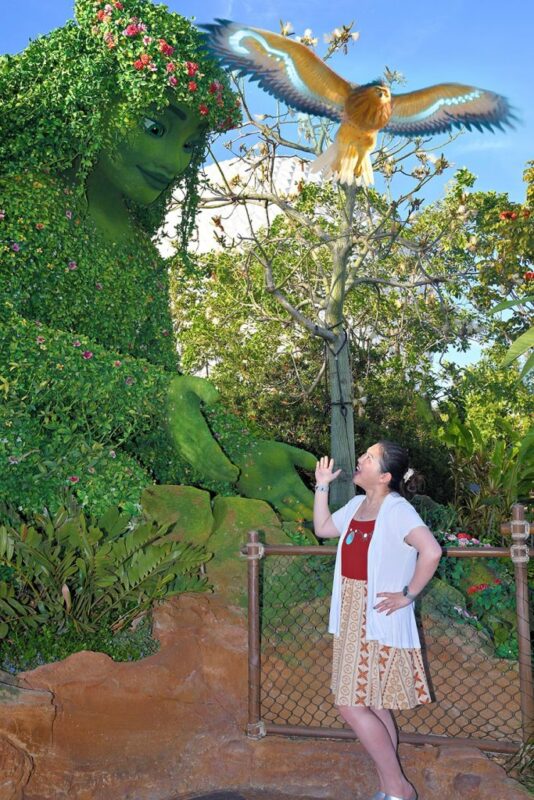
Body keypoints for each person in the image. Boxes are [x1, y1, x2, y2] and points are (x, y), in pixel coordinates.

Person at [0, 0, 315, 520]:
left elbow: (167, 387)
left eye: (190, 145)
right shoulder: (18, 200)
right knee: (126, 493)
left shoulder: (142, 260)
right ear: (93, 102)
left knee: (250, 511)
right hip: (20, 437)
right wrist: (149, 396)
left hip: (103, 438)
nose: (173, 161)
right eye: (154, 126)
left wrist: (244, 453)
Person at [313, 440, 443, 800]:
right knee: (372, 700)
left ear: (385, 476)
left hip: (377, 615)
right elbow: (323, 528)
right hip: (351, 612)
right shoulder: (357, 504)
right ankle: (391, 788)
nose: (360, 460)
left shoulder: (397, 509)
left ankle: (399, 787)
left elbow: (430, 551)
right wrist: (322, 485)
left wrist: (409, 595)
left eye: (368, 458)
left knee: (349, 703)